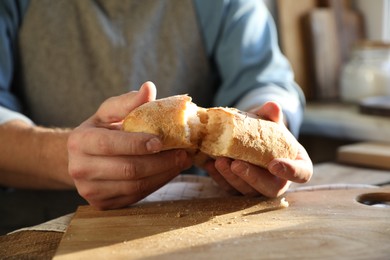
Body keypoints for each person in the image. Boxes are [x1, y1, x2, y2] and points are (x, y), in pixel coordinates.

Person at [0, 0, 313, 211]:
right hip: (37, 228)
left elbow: (262, 81)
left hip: (198, 220)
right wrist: (64, 154)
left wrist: (264, 132)